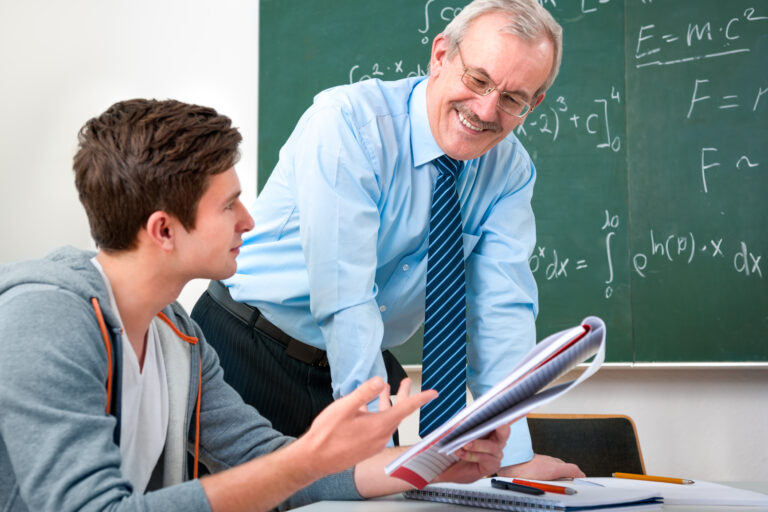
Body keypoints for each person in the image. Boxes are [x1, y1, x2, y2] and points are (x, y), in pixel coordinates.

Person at [0, 99, 510, 512]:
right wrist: (303, 461)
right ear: (164, 230)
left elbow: (267, 460)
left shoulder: (177, 335)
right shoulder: (45, 319)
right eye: (229, 205)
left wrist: (426, 464)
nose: (249, 220)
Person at [191, 0, 584, 480]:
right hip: (248, 351)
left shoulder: (510, 171)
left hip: (364, 366)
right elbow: (347, 297)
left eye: (512, 99)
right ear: (441, 55)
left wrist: (512, 455)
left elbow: (502, 313)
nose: (485, 111)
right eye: (478, 80)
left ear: (534, 103)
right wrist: (373, 435)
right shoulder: (348, 124)